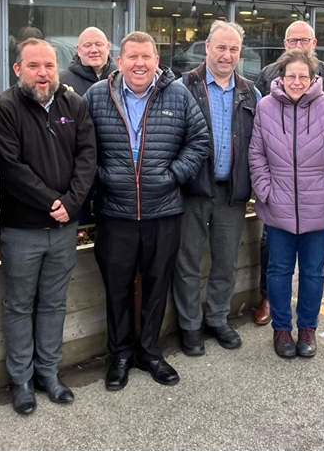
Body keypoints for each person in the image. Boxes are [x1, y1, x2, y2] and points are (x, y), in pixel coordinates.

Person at [83, 31, 210, 390]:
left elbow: (198, 140)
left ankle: (151, 353)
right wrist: (102, 176)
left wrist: (173, 175)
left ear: (157, 60)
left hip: (164, 210)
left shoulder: (178, 94)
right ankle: (121, 354)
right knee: (117, 287)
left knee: (157, 285)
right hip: (114, 210)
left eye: (147, 57)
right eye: (132, 57)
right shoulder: (97, 95)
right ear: (119, 61)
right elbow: (82, 147)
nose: (140, 63)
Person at [0, 38, 97, 415]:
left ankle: (48, 374)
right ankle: (21, 380)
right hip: (23, 230)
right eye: (34, 65)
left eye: (49, 65)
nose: (43, 73)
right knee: (19, 305)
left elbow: (88, 156)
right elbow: (9, 165)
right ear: (18, 69)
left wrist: (71, 203)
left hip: (64, 227)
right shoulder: (5, 107)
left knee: (54, 303)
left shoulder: (74, 104)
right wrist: (50, 202)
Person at [248, 49, 324, 358]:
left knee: (313, 272)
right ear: (281, 77)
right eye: (290, 76)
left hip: (319, 206)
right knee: (278, 270)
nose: (296, 81)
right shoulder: (265, 106)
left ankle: (307, 328)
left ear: (313, 77)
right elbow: (256, 154)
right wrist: (265, 191)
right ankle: (281, 329)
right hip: (277, 205)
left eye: (302, 76)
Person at [174, 21, 260, 356]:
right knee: (188, 261)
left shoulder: (250, 92)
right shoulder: (184, 87)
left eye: (234, 49)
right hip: (193, 190)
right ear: (207, 47)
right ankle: (190, 325)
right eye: (221, 47)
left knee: (226, 261)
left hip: (232, 192)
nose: (226, 55)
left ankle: (218, 318)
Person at [60, 27, 118, 95]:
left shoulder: (121, 78)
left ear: (108, 47)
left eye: (99, 44)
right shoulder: (62, 82)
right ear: (78, 49)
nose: (94, 50)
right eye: (87, 45)